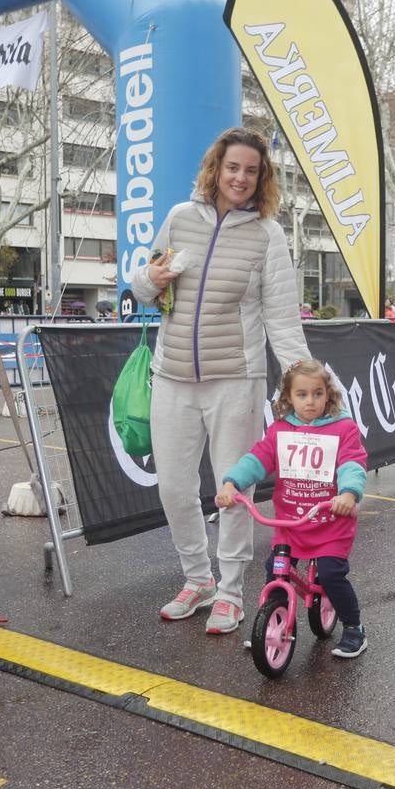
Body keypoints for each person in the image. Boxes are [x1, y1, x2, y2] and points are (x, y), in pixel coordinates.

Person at [132, 126, 311, 635]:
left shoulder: (267, 235)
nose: (241, 177)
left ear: (262, 179)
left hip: (237, 378)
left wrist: (304, 383)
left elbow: (281, 318)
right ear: (216, 168)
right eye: (233, 167)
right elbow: (145, 283)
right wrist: (152, 280)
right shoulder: (179, 218)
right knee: (173, 487)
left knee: (234, 489)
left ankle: (231, 591)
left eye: (251, 171)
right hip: (172, 375)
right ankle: (198, 579)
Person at [216, 359, 369, 658]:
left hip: (330, 523)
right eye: (302, 395)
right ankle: (273, 622)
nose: (310, 401)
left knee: (330, 574)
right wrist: (232, 484)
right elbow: (258, 459)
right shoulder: (280, 430)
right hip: (290, 524)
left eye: (317, 393)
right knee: (276, 571)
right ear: (288, 398)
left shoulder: (343, 428)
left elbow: (352, 463)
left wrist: (349, 493)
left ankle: (354, 627)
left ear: (328, 395)